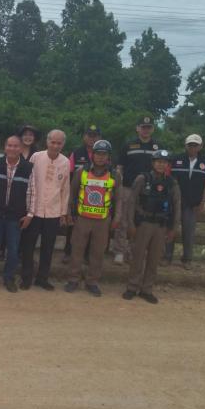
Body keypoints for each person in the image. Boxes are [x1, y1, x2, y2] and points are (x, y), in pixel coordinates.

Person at [122, 149, 181, 304]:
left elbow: (177, 205)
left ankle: (147, 289)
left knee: (154, 259)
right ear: (153, 163)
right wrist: (130, 223)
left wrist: (174, 228)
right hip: (144, 223)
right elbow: (132, 201)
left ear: (168, 165)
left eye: (164, 162)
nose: (161, 165)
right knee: (137, 257)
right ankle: (132, 287)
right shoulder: (143, 179)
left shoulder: (172, 183)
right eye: (158, 162)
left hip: (161, 225)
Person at [64, 140, 120, 296]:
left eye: (104, 154)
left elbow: (119, 199)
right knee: (77, 250)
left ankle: (92, 281)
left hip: (102, 220)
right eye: (98, 154)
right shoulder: (81, 171)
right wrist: (68, 212)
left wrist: (117, 217)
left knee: (97, 253)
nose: (100, 157)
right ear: (92, 155)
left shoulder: (115, 175)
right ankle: (73, 279)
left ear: (108, 156)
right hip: (83, 219)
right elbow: (72, 193)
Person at [20, 129, 70, 291]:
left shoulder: (65, 162)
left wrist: (63, 212)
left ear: (63, 144)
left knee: (48, 248)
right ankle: (26, 277)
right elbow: (28, 183)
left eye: (59, 143)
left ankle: (42, 278)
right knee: (28, 246)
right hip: (34, 210)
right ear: (47, 142)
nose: (55, 146)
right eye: (52, 142)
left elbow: (65, 189)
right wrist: (26, 208)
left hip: (53, 212)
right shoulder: (36, 157)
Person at [0, 135, 33, 293]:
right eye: (9, 145)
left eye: (16, 146)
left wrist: (30, 214)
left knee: (13, 250)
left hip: (15, 216)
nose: (12, 148)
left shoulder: (28, 168)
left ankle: (9, 278)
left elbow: (31, 192)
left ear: (21, 148)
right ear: (5, 147)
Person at [112, 115, 164, 265]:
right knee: (123, 220)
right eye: (143, 127)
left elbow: (163, 168)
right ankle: (120, 251)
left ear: (152, 129)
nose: (145, 130)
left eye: (148, 127)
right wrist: (119, 187)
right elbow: (120, 167)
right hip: (128, 188)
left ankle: (133, 251)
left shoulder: (158, 147)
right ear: (137, 128)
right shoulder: (128, 145)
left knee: (140, 221)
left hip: (148, 192)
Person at [165, 134, 205, 270]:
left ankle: (187, 259)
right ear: (185, 146)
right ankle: (166, 257)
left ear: (200, 147)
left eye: (195, 145)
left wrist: (202, 202)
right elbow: (166, 178)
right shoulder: (175, 159)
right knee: (170, 229)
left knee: (189, 231)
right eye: (190, 145)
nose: (192, 148)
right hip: (174, 202)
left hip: (192, 203)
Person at [63, 124, 102, 263]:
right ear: (84, 137)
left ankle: (87, 255)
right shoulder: (76, 153)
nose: (92, 138)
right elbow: (69, 174)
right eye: (89, 135)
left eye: (95, 136)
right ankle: (68, 253)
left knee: (92, 228)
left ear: (99, 137)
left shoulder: (105, 154)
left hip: (97, 198)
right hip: (78, 195)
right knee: (72, 226)